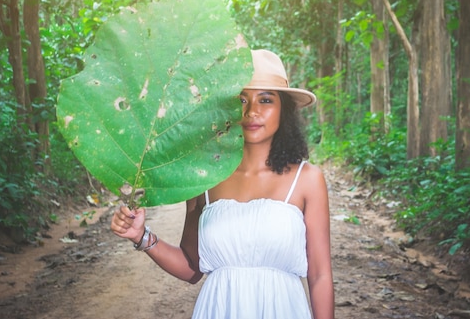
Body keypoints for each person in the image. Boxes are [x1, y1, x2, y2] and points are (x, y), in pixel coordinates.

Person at [111, 49, 334, 319]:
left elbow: (320, 275)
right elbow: (192, 268)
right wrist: (141, 236)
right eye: (241, 99)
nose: (252, 111)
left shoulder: (307, 179)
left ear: (283, 109)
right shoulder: (204, 179)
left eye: (265, 99)